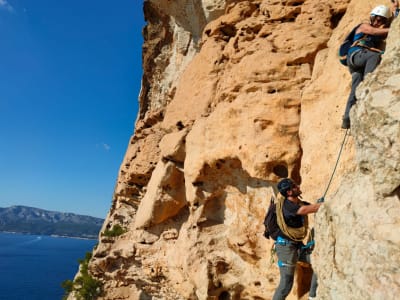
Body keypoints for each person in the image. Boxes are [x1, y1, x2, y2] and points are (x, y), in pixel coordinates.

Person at [341, 5, 391, 129]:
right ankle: (369, 86)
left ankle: (347, 119)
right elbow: (376, 31)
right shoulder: (363, 26)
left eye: (382, 21)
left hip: (358, 62)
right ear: (372, 17)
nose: (379, 22)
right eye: (378, 19)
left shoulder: (377, 35)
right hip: (356, 55)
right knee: (373, 56)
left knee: (356, 86)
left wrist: (396, 11)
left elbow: (386, 32)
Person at [272, 178, 323, 300]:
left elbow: (310, 207)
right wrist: (325, 204)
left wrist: (318, 204)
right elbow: (305, 210)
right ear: (289, 192)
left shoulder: (297, 202)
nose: (298, 186)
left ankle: (312, 296)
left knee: (319, 262)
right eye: (295, 186)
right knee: (286, 285)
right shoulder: (287, 206)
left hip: (296, 245)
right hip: (286, 248)